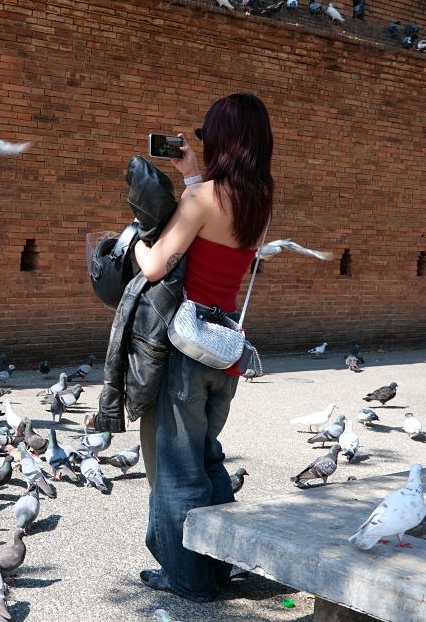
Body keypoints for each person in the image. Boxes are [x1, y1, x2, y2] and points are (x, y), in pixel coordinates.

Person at [132, 92, 274, 602]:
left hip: (187, 349)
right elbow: (217, 242)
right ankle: (218, 568)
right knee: (209, 461)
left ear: (225, 139)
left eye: (207, 133)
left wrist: (129, 240)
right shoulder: (259, 200)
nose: (202, 141)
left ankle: (186, 578)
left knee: (178, 469)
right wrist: (192, 177)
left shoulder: (202, 199)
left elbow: (155, 266)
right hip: (226, 348)